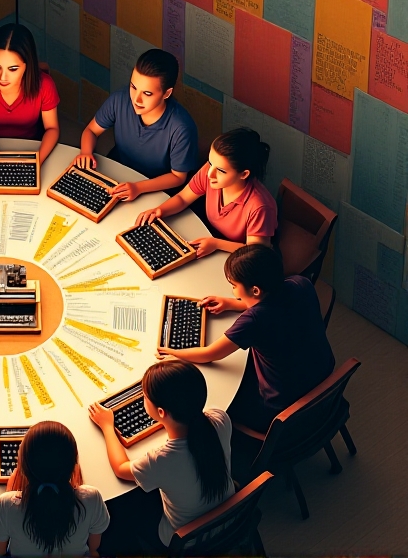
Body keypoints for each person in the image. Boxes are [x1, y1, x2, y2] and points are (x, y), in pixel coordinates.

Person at [157, 245, 335, 432]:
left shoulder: (254, 320)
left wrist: (174, 353)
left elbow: (210, 354)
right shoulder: (300, 283)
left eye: (234, 286)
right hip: (322, 381)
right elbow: (276, 302)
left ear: (255, 290)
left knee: (215, 403)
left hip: (280, 407)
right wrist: (233, 304)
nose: (233, 291)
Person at [89, 360, 233, 552]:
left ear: (161, 412)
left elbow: (121, 468)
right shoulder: (220, 419)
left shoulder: (160, 461)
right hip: (230, 518)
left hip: (188, 540)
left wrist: (107, 426)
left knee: (124, 512)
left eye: (145, 396)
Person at [74, 48, 198, 201]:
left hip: (155, 190)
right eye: (133, 87)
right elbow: (91, 131)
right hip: (117, 174)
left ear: (166, 93)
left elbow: (178, 177)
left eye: (147, 93)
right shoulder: (119, 99)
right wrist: (86, 152)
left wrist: (139, 187)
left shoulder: (181, 128)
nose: (136, 99)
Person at [136, 128, 277, 257]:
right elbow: (183, 198)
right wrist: (160, 210)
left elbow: (256, 251)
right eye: (210, 163)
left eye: (221, 171)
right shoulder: (210, 172)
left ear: (244, 174)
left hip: (241, 257)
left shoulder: (260, 206)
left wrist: (216, 244)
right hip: (211, 236)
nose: (210, 174)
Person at [0, 421, 109, 557]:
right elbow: (94, 546)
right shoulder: (92, 498)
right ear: (74, 464)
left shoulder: (6, 505)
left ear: (23, 466)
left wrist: (10, 493)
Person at [0, 23, 60, 163]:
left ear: (27, 66)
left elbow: (52, 128)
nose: (2, 77)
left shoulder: (45, 85)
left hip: (30, 147)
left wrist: (37, 160)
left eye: (12, 69)